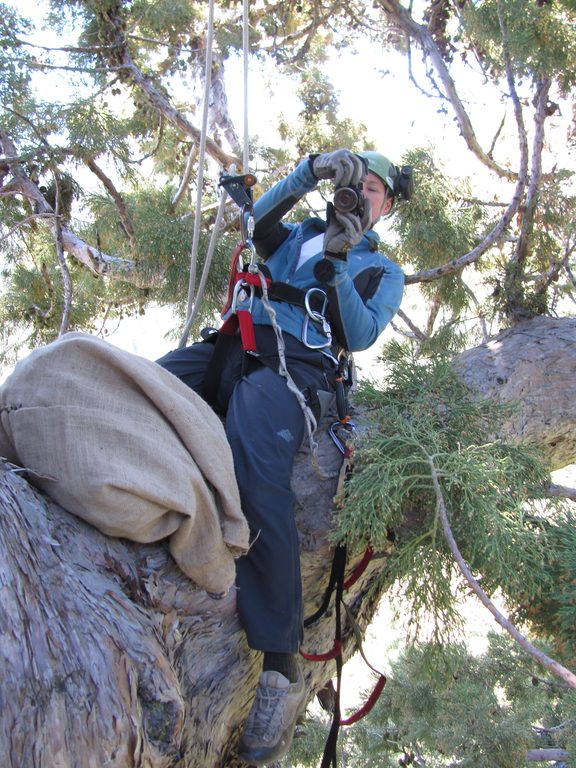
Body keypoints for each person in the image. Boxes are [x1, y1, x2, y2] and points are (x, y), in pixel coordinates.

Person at [156, 148, 412, 766]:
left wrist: (341, 260)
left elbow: (359, 334)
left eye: (375, 190)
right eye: (358, 184)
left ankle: (279, 660)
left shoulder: (382, 269)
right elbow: (255, 224)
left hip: (296, 368)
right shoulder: (295, 233)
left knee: (254, 464)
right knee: (139, 387)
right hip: (233, 343)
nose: (363, 195)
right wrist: (311, 172)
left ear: (387, 206)